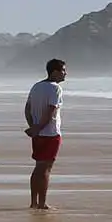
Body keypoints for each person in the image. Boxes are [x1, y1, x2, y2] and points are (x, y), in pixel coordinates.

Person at [24, 58, 67, 210]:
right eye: (63, 70)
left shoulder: (36, 86)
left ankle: (33, 202)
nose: (65, 74)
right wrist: (38, 127)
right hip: (50, 134)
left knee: (38, 168)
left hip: (38, 134)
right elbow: (51, 110)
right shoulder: (55, 88)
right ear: (54, 72)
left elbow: (27, 108)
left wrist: (33, 127)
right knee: (45, 169)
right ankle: (42, 203)